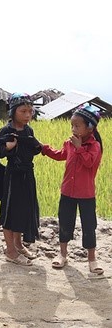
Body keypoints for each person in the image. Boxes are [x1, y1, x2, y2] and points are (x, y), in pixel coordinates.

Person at [42, 104, 104, 275]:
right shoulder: (69, 144)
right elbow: (60, 155)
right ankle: (62, 254)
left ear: (90, 127)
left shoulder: (94, 146)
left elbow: (89, 162)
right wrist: (45, 149)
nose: (73, 129)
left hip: (86, 194)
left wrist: (79, 148)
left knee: (89, 225)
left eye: (77, 125)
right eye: (72, 125)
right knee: (65, 222)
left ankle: (92, 258)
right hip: (67, 191)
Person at [0, 93, 42, 266]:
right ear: (13, 112)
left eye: (30, 111)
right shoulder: (7, 130)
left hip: (28, 175)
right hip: (13, 176)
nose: (28, 115)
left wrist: (36, 146)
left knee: (23, 210)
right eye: (23, 111)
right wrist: (7, 147)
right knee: (10, 213)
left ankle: (19, 244)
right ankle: (10, 251)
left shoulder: (28, 130)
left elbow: (32, 147)